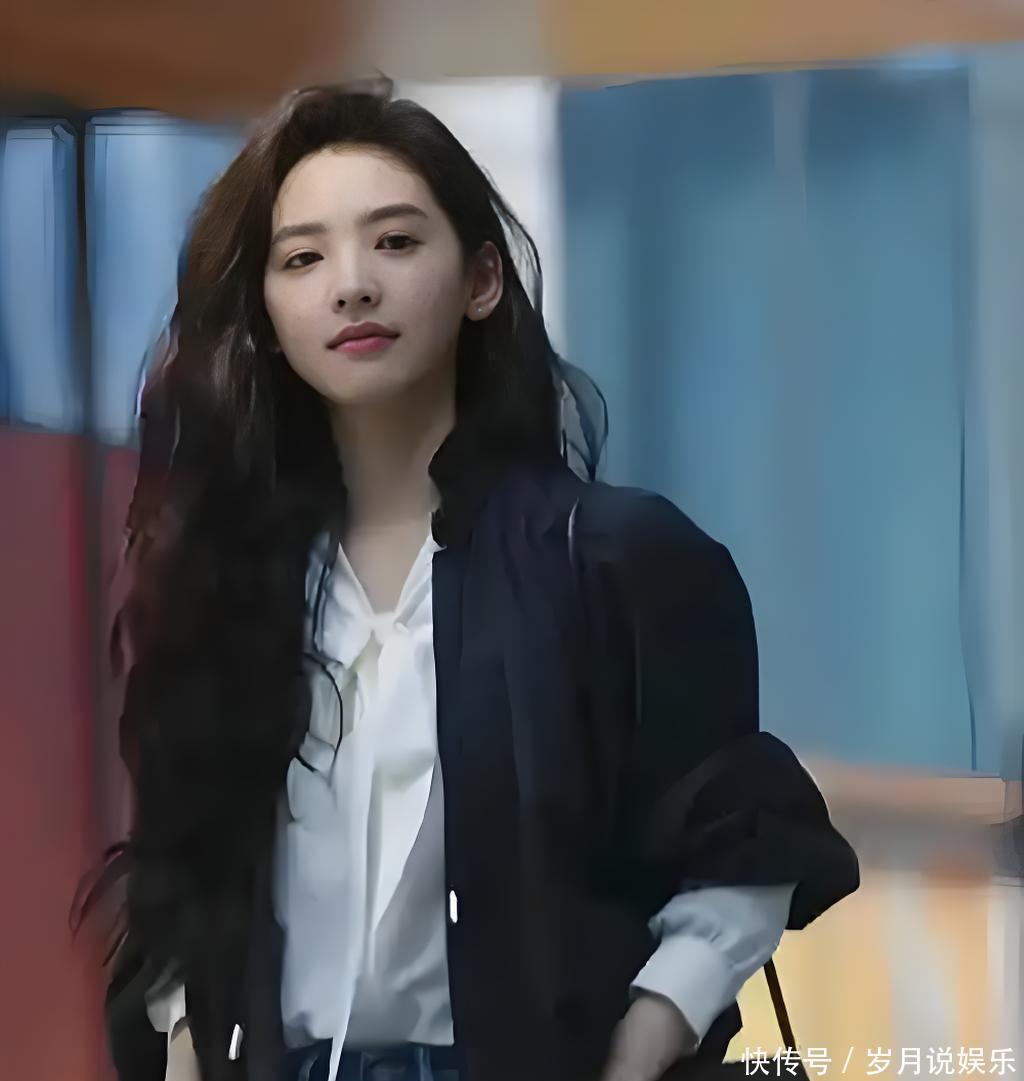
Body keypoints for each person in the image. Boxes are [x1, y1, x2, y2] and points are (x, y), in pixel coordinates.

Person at [86, 79, 859, 1081]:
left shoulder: (613, 557)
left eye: (396, 242)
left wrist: (643, 1041)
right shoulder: (234, 586)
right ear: (268, 314)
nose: (352, 285)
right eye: (303, 258)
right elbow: (184, 879)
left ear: (482, 278)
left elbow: (741, 845)